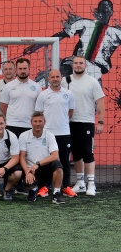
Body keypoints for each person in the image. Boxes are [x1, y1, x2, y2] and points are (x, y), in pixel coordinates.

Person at [25, 0, 119, 83]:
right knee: (63, 70)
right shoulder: (85, 23)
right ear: (98, 11)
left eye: (107, 9)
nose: (105, 12)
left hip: (95, 70)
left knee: (94, 95)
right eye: (103, 9)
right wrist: (35, 45)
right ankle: (36, 86)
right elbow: (59, 36)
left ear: (111, 12)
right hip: (75, 63)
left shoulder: (116, 33)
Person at [61, 56, 106, 196]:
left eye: (81, 63)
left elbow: (100, 103)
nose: (78, 65)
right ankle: (80, 183)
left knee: (88, 152)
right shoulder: (65, 80)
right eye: (76, 63)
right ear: (72, 65)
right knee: (76, 153)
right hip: (69, 123)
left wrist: (100, 122)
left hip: (86, 122)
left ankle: (91, 184)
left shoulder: (92, 82)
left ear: (85, 65)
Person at [35, 69, 77, 198]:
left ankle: (66, 187)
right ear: (49, 79)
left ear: (61, 78)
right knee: (46, 162)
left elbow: (70, 113)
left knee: (65, 161)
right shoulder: (43, 95)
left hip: (64, 132)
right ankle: (44, 187)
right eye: (52, 77)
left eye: (57, 77)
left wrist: (61, 123)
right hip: (48, 133)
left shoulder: (69, 94)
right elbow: (39, 113)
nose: (55, 79)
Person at [18, 112, 66, 204]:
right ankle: (33, 190)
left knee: (58, 165)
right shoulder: (23, 136)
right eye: (35, 121)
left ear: (45, 122)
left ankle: (56, 193)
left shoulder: (49, 135)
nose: (38, 124)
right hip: (31, 169)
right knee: (28, 183)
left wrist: (38, 164)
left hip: (45, 167)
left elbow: (55, 156)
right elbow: (22, 157)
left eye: (40, 121)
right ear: (31, 122)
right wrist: (27, 172)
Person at [0, 58, 42, 137]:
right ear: (16, 70)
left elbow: (39, 107)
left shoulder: (36, 86)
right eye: (20, 69)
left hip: (30, 125)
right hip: (12, 125)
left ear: (29, 69)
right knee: (13, 149)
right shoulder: (8, 86)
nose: (22, 71)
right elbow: (3, 107)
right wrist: (13, 117)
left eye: (25, 68)